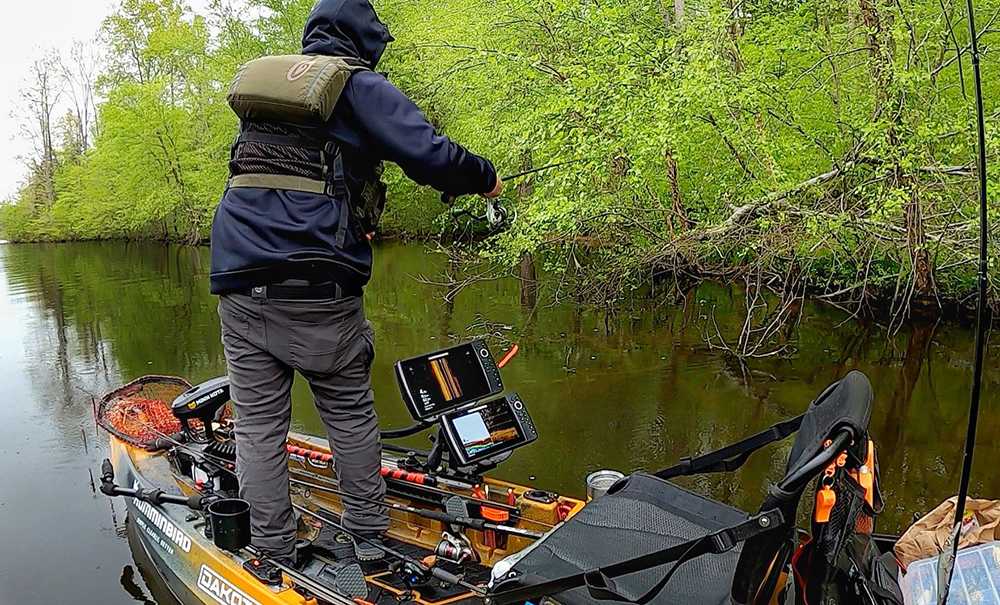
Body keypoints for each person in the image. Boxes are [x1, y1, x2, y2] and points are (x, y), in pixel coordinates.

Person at [209, 0, 502, 563]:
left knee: (258, 427)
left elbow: (285, 177)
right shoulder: (357, 84)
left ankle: (271, 551)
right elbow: (430, 156)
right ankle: (368, 537)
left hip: (239, 280)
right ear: (363, 39)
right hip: (319, 289)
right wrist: (483, 178)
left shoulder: (272, 92)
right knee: (348, 414)